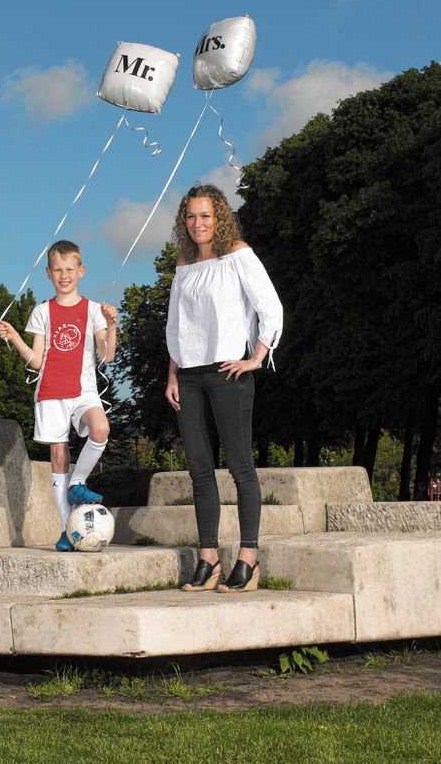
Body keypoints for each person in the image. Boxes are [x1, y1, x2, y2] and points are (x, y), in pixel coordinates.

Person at [165, 184, 283, 593]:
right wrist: (172, 375)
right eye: (191, 216)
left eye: (205, 216)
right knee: (199, 470)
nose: (197, 223)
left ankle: (248, 557)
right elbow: (176, 327)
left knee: (239, 465)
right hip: (189, 376)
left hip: (229, 372)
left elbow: (271, 307)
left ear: (219, 218)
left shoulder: (238, 254)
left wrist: (256, 357)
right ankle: (209, 557)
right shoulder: (184, 264)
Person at [0, 240, 117, 551]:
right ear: (48, 273)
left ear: (81, 270)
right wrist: (15, 338)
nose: (64, 276)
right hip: (50, 392)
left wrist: (111, 325)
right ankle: (67, 530)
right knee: (59, 456)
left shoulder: (93, 310)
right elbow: (37, 361)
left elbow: (108, 355)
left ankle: (77, 483)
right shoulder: (41, 311)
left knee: (101, 429)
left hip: (83, 390)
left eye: (70, 269)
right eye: (58, 270)